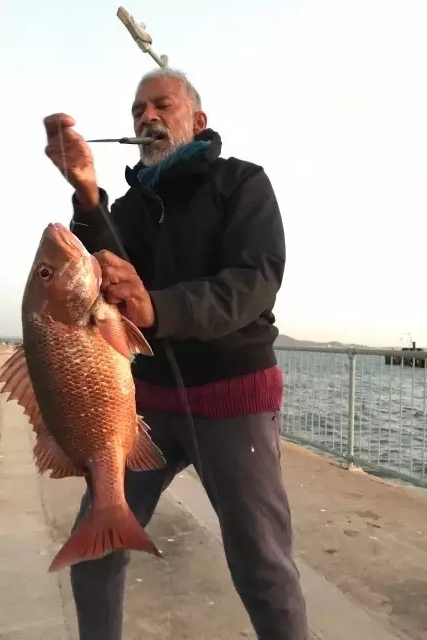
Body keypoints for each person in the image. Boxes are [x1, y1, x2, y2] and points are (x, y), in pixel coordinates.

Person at [43, 68, 308, 640]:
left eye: (161, 105)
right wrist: (88, 194)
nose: (147, 117)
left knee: (261, 561)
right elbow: (99, 279)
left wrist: (157, 307)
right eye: (138, 111)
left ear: (199, 121)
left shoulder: (242, 184)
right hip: (144, 408)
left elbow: (254, 281)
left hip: (234, 400)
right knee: (95, 551)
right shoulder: (133, 208)